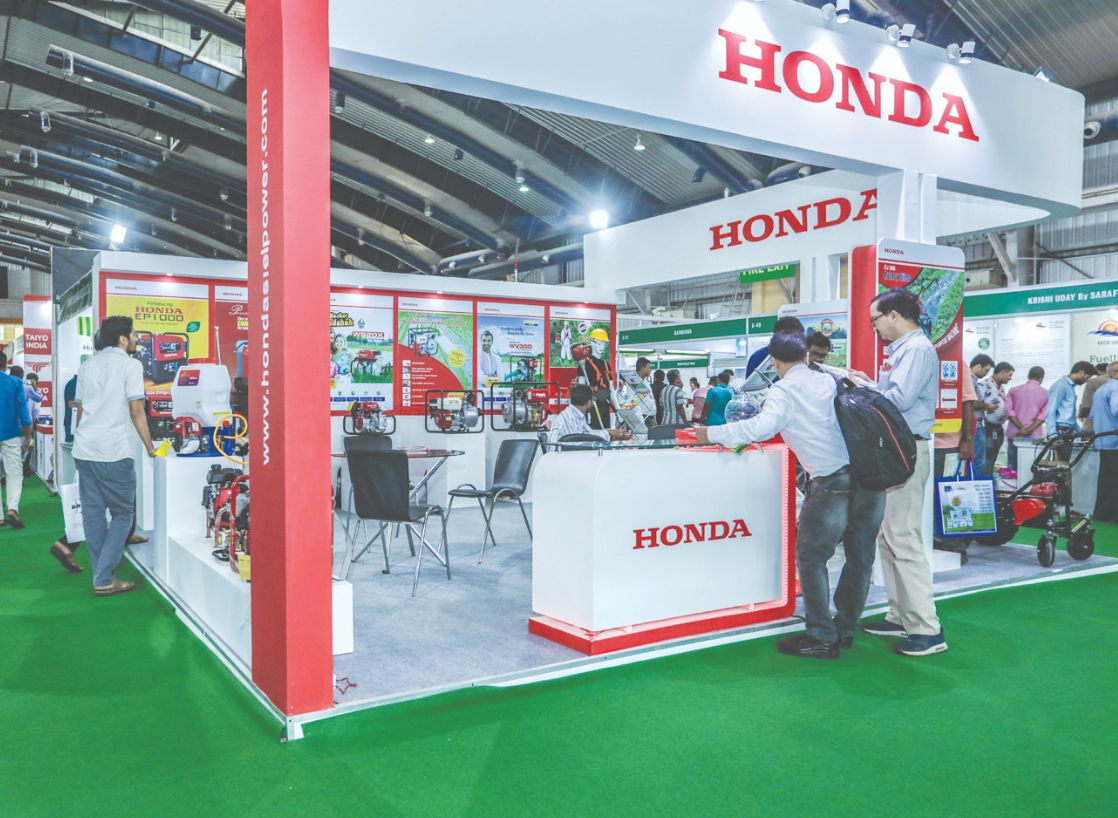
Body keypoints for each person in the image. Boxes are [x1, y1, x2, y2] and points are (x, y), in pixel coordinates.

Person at [696, 333, 885, 659]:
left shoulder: (784, 389)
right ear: (806, 356)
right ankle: (844, 628)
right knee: (860, 556)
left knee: (811, 557)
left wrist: (709, 433)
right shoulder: (829, 380)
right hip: (869, 476)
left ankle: (821, 636)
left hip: (831, 479)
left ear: (774, 361)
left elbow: (761, 427)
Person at [851, 288, 946, 657]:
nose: (874, 327)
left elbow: (899, 400)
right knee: (889, 537)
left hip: (907, 449)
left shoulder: (917, 349)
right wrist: (868, 386)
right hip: (894, 450)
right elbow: (892, 394)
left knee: (902, 538)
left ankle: (926, 628)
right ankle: (900, 615)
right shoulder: (902, 350)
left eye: (875, 319)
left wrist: (862, 391)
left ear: (893, 315)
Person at [73, 316, 157, 597]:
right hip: (113, 451)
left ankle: (103, 576)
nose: (136, 339)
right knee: (123, 514)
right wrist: (150, 447)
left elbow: (80, 410)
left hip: (85, 450)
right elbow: (136, 409)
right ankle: (104, 576)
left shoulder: (87, 366)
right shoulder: (131, 365)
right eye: (133, 334)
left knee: (93, 514)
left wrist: (81, 438)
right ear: (122, 339)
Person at [933, 359, 977, 560]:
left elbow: (967, 401)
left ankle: (954, 545)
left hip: (947, 444)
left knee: (950, 496)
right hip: (917, 441)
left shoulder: (955, 361)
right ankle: (934, 539)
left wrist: (967, 439)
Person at [0, 353, 32, 529]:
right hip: (10, 432)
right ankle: (12, 508)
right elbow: (23, 411)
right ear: (5, 365)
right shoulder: (15, 382)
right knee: (14, 472)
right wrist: (28, 434)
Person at [1046, 361, 1096, 461]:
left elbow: (1069, 417)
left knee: (1064, 465)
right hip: (1060, 432)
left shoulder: (1069, 387)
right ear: (1081, 373)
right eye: (1087, 377)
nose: (1087, 381)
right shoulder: (1060, 386)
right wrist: (1053, 436)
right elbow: (1051, 411)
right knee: (1060, 466)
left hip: (1066, 431)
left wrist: (1081, 432)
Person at [548, 384, 630, 444]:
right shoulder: (569, 419)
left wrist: (610, 435)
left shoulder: (575, 415)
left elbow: (588, 435)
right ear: (589, 402)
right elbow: (580, 442)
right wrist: (609, 432)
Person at [1090, 362, 1118, 522]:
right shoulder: (1117, 388)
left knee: (1106, 479)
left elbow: (1092, 415)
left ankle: (1102, 513)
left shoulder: (1100, 390)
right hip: (1115, 441)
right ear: (1115, 373)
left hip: (1103, 440)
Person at [1005, 366, 1048, 472]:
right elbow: (1043, 415)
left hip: (1015, 432)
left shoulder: (1013, 390)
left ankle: (1013, 481)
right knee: (1029, 465)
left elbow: (1008, 410)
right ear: (1041, 378)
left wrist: (1022, 428)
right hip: (1034, 435)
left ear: (1028, 376)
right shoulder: (1046, 393)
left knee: (1012, 465)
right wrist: (1029, 429)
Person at [978, 362, 1015, 474]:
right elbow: (974, 403)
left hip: (998, 427)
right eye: (1009, 375)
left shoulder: (1002, 388)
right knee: (986, 458)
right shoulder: (983, 385)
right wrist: (987, 406)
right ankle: (983, 480)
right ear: (1002, 372)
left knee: (993, 458)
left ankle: (989, 479)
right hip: (986, 427)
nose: (1011, 378)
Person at [968, 354, 995, 476]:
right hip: (975, 424)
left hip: (976, 423)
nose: (986, 374)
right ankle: (975, 482)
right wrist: (987, 406)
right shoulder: (970, 380)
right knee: (978, 459)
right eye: (986, 370)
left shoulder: (972, 380)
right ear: (979, 367)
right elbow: (971, 403)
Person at [1079, 363, 1111, 434]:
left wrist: (1081, 415)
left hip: (1094, 422)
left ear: (1098, 370)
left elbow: (1086, 404)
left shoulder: (1093, 382)